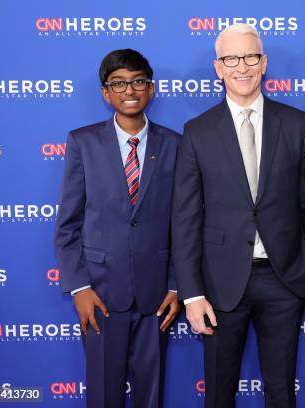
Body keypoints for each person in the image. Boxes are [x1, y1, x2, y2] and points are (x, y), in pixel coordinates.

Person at [172, 23, 305, 408]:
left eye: (251, 57)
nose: (243, 67)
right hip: (220, 284)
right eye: (231, 59)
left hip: (284, 279)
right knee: (219, 393)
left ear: (264, 62)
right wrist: (192, 294)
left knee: (281, 392)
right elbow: (186, 218)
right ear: (218, 67)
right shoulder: (197, 131)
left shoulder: (297, 123)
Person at [54, 49, 181, 408]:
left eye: (138, 81)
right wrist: (80, 287)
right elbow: (68, 225)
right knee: (104, 392)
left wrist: (175, 284)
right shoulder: (83, 142)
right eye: (119, 83)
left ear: (151, 89)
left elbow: (183, 225)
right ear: (105, 93)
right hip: (100, 294)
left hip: (157, 297)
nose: (130, 90)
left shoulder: (175, 145)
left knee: (151, 394)